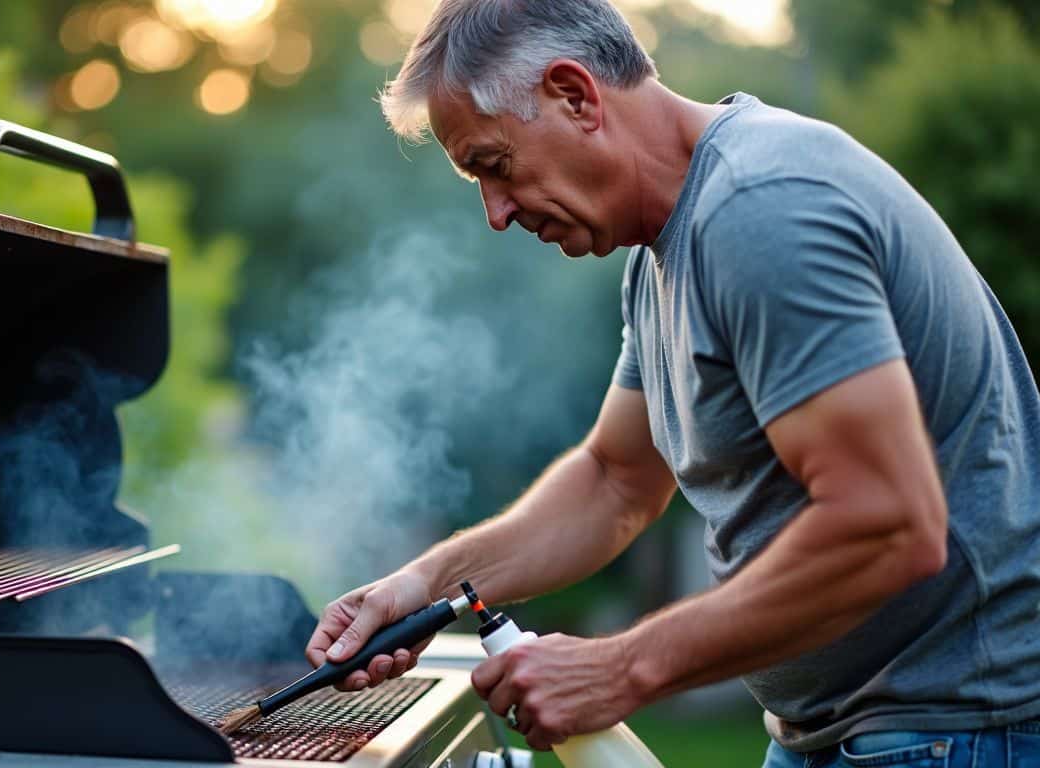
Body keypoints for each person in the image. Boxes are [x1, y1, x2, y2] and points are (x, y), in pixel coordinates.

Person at [302, 1, 1040, 766]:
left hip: (957, 733)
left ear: (576, 95)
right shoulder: (664, 255)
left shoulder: (760, 210)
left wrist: (621, 669)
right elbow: (615, 481)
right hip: (851, 733)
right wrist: (422, 586)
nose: (495, 212)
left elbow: (888, 523)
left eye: (495, 165)